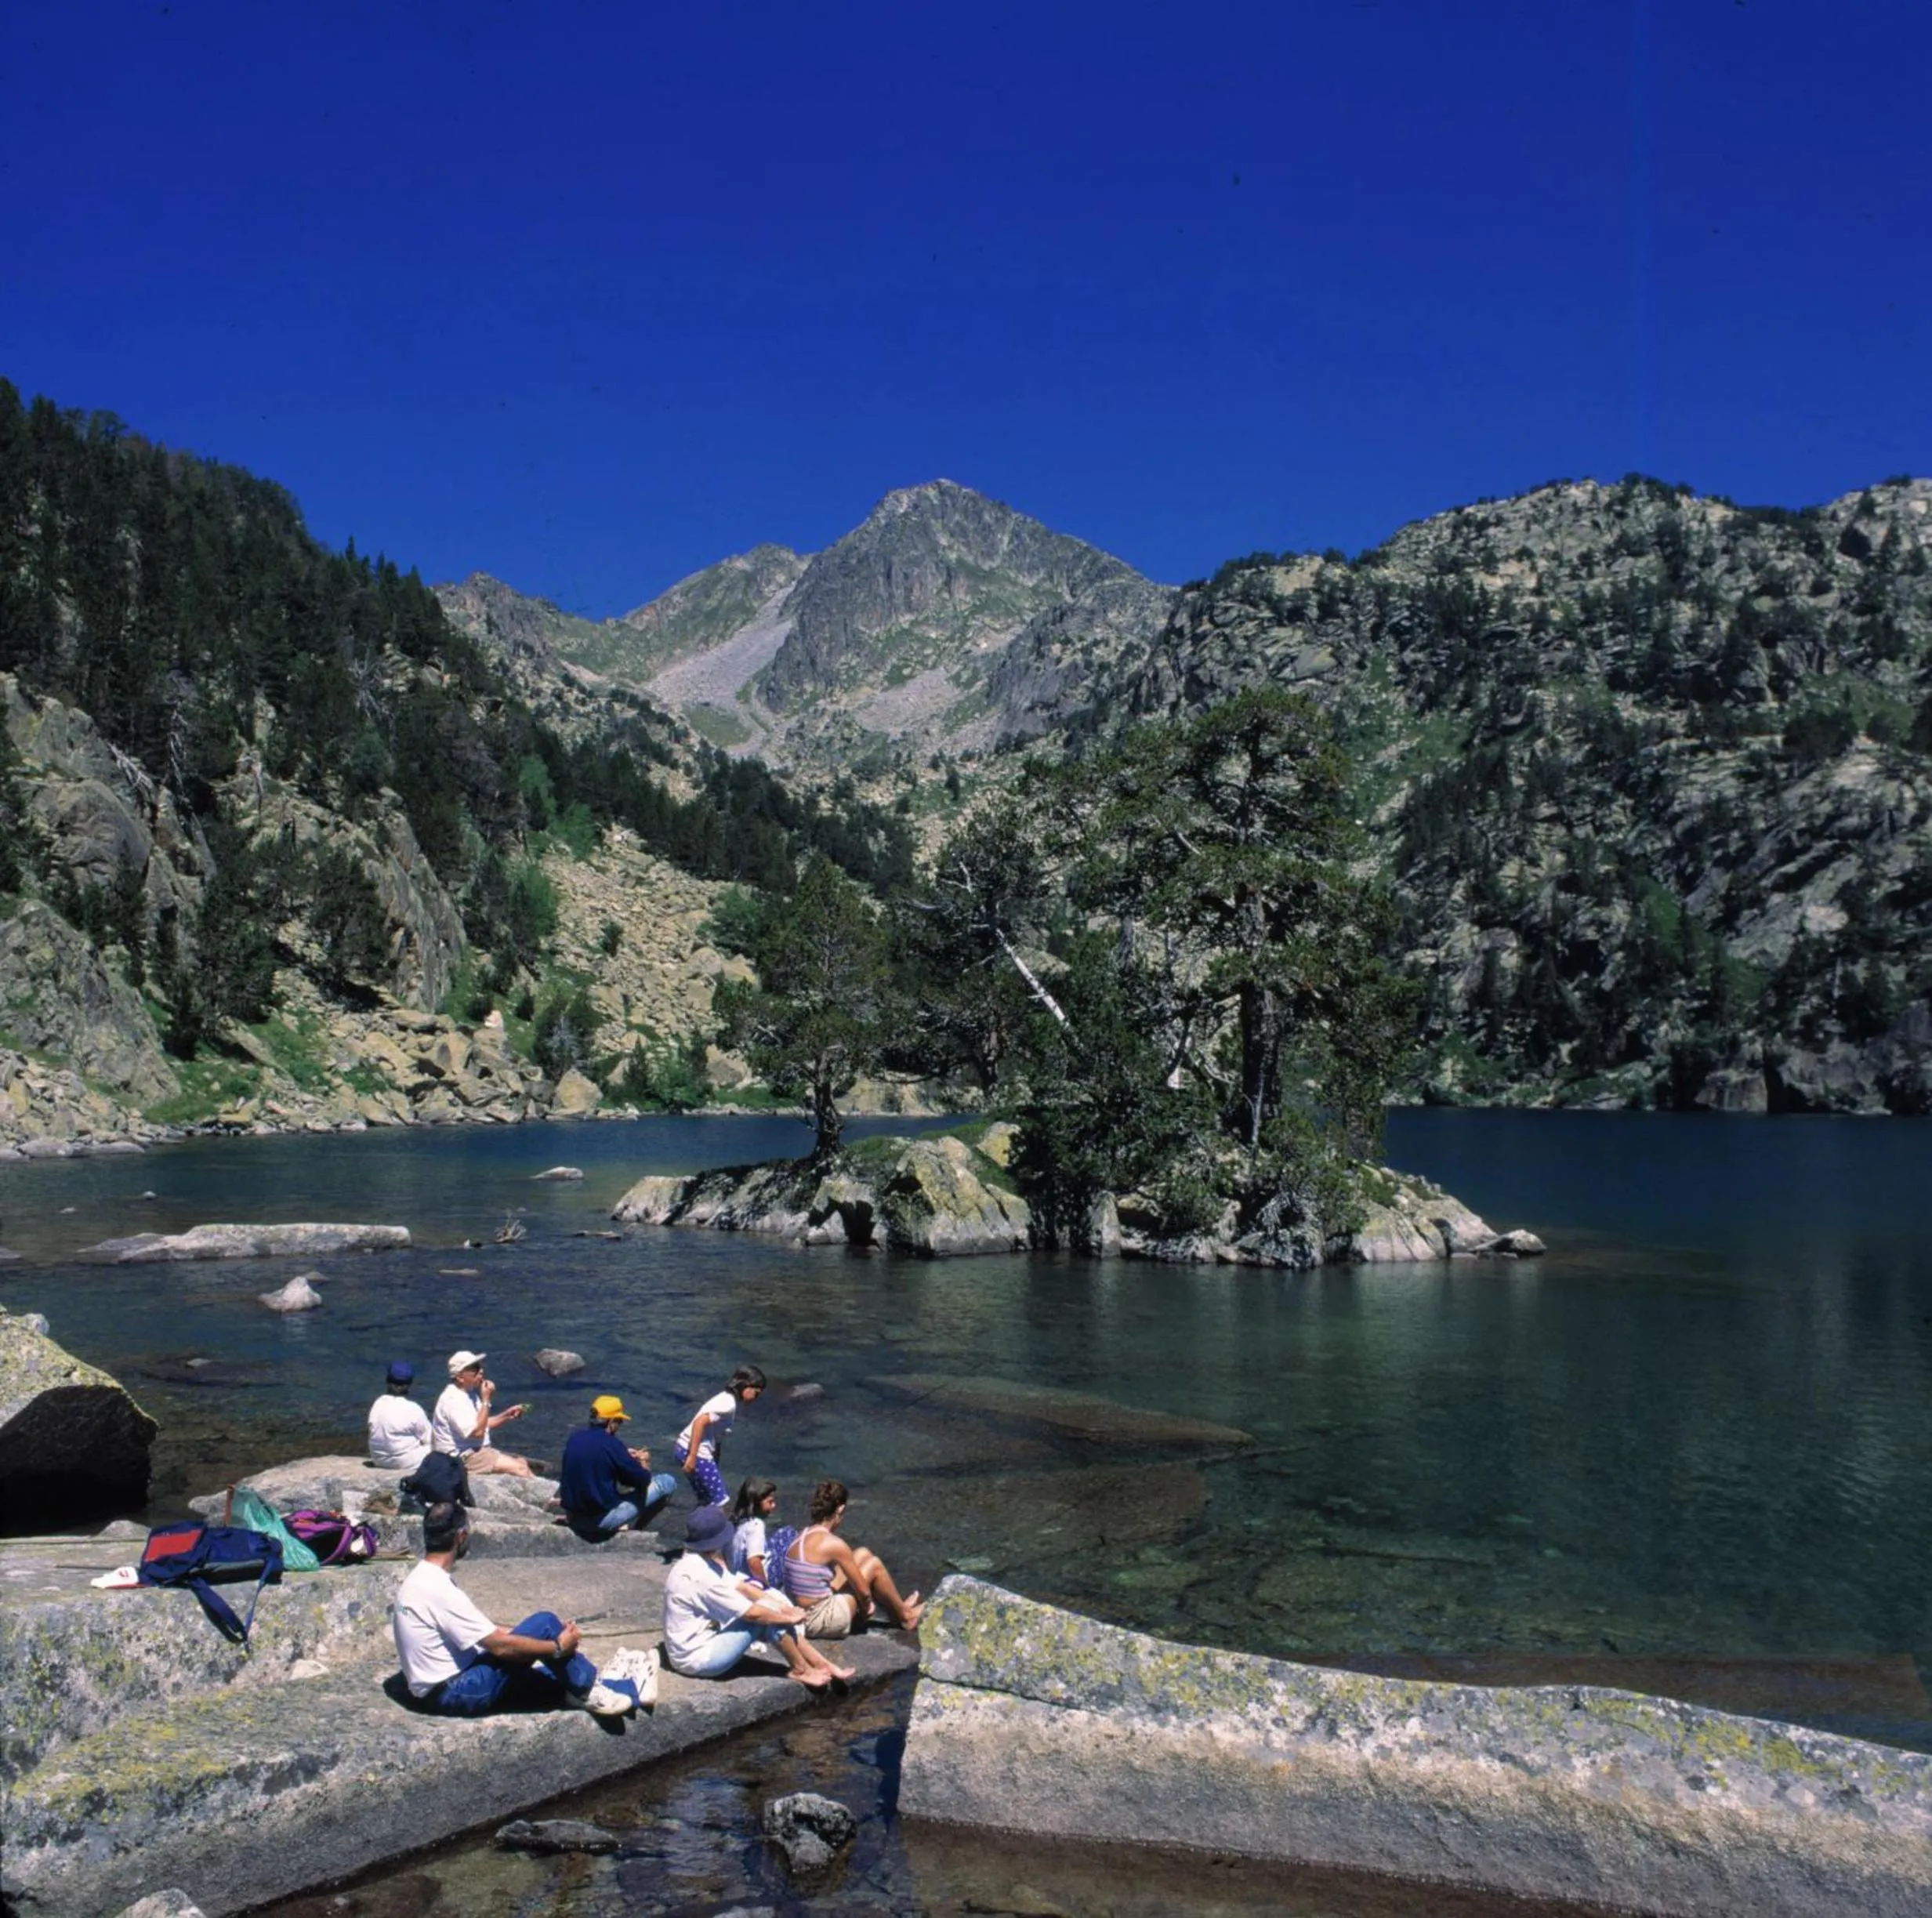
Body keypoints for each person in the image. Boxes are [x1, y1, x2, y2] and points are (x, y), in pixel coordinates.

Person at [391, 1501, 651, 1716]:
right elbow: (500, 1647)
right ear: (461, 1536)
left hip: (439, 1687)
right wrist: (558, 1647)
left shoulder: (420, 1579)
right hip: (455, 1691)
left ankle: (619, 1687)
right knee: (546, 1622)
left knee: (547, 1675)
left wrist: (531, 1637)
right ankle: (590, 1689)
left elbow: (485, 1634)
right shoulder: (440, 1589)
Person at [661, 1506, 854, 1687]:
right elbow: (753, 1614)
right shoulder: (701, 1575)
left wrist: (783, 1607)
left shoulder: (698, 1562)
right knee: (767, 1617)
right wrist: (787, 1617)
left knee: (772, 1608)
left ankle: (821, 1663)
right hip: (698, 1659)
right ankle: (801, 1670)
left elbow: (741, 1586)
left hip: (692, 1648)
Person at [782, 1478, 924, 1636]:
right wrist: (866, 1607)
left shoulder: (802, 1535)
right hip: (817, 1620)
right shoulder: (834, 1544)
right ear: (840, 1510)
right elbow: (864, 1593)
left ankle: (897, 1609)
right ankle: (906, 1616)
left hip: (801, 1613)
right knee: (875, 1565)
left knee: (862, 1553)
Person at [559, 1394, 678, 1540]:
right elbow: (641, 1482)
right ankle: (638, 1530)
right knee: (667, 1482)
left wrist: (623, 1455)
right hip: (598, 1522)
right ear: (611, 1422)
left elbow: (595, 1457)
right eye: (619, 1421)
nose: (620, 1426)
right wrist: (644, 1462)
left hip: (573, 1517)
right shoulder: (612, 1444)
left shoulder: (575, 1438)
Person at [431, 1348, 533, 1477]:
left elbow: (481, 1423)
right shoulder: (452, 1400)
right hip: (462, 1457)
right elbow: (477, 1433)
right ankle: (545, 1491)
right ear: (460, 1377)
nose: (481, 1371)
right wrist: (486, 1400)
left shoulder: (470, 1394)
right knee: (520, 1469)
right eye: (475, 1369)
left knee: (522, 1462)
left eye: (480, 1367)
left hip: (475, 1451)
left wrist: (507, 1415)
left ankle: (546, 1490)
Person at [675, 1365, 765, 1507]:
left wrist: (714, 1460)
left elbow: (716, 1436)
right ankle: (717, 1523)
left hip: (682, 1448)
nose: (756, 1398)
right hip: (696, 1453)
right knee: (720, 1500)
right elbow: (699, 1423)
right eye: (756, 1393)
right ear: (746, 1386)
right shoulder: (728, 1404)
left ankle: (700, 1520)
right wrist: (692, 1457)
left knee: (705, 1499)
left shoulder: (724, 1398)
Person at [367, 1360, 433, 1473]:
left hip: (379, 1459)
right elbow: (430, 1439)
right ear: (409, 1384)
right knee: (442, 1448)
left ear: (387, 1380)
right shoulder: (413, 1408)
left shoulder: (377, 1404)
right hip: (403, 1461)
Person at [730, 1477, 781, 1584]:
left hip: (737, 1575)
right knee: (788, 1534)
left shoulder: (737, 1522)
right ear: (756, 1504)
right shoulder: (756, 1525)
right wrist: (765, 1586)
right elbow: (753, 1561)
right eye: (770, 1502)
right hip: (752, 1581)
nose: (774, 1505)